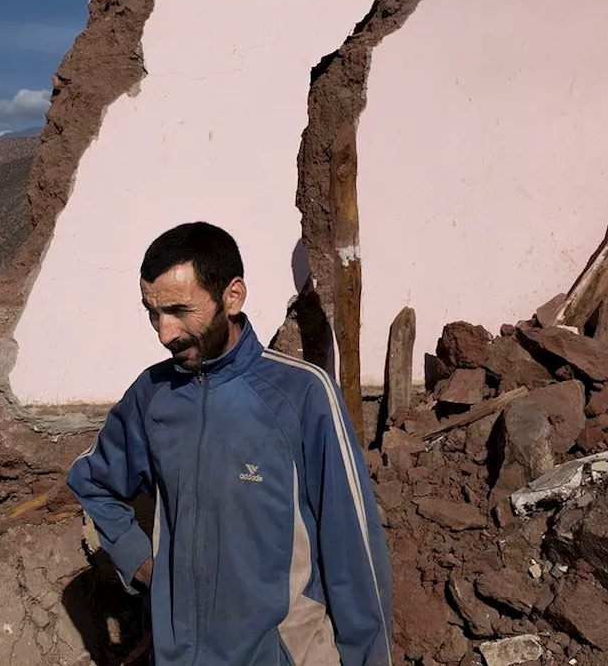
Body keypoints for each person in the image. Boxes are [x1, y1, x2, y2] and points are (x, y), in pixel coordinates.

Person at [67, 222, 392, 665]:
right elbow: (93, 480)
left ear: (232, 296)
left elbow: (353, 552)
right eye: (153, 313)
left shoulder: (301, 395)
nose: (165, 333)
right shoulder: (151, 396)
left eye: (181, 310)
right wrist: (146, 565)